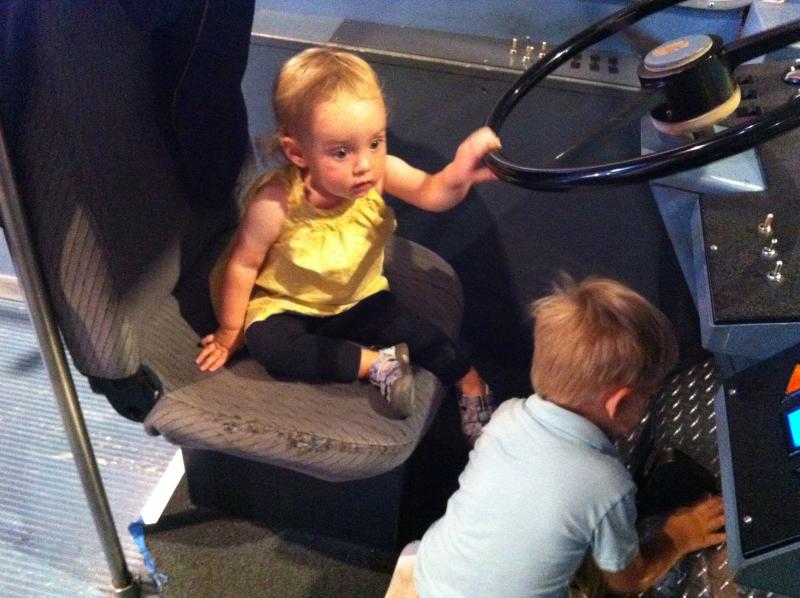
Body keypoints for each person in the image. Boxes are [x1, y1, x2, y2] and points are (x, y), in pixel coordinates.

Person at [194, 47, 502, 443]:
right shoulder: (275, 203)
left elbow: (432, 192)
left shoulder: (379, 175)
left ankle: (470, 381)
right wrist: (230, 329)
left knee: (422, 333)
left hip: (359, 297)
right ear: (297, 152)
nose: (364, 165)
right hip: (289, 304)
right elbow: (244, 265)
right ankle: (376, 365)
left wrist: (457, 174)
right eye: (341, 152)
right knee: (269, 347)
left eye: (375, 142)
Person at [413, 275, 726, 597]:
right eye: (649, 394)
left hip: (432, 575)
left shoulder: (506, 416)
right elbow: (629, 583)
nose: (650, 402)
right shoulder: (608, 485)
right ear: (619, 403)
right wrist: (680, 535)